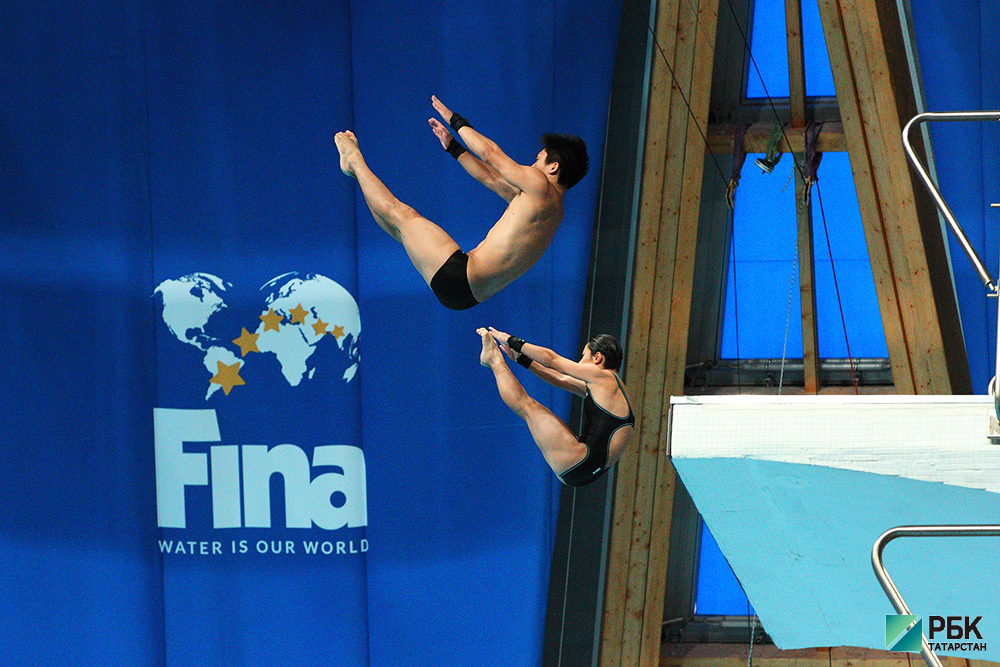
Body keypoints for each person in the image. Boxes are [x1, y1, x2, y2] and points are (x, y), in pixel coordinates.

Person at [335, 95, 588, 309]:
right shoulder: (552, 210)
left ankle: (355, 160)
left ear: (553, 167)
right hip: (465, 296)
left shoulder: (539, 184)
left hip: (461, 273)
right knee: (399, 227)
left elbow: (491, 154)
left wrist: (455, 120)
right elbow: (492, 180)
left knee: (402, 215)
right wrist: (453, 148)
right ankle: (354, 170)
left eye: (538, 160)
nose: (532, 165)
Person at [477, 326, 634, 487]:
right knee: (527, 406)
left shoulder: (604, 377)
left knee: (526, 405)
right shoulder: (614, 391)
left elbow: (551, 359)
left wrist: (511, 340)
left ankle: (493, 360)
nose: (579, 363)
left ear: (597, 358)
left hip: (578, 460)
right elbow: (560, 379)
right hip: (584, 471)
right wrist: (523, 360)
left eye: (583, 357)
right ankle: (494, 359)